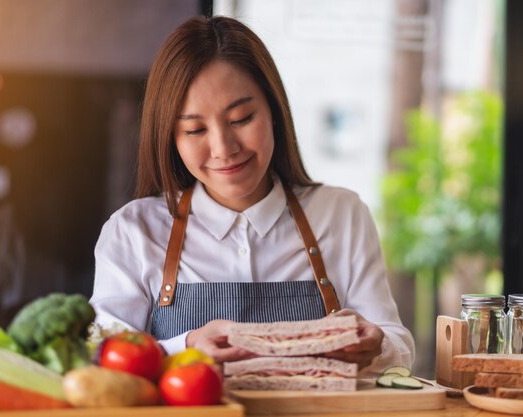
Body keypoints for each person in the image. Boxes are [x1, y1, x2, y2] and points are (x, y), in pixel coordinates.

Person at [90, 15, 414, 374]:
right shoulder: (134, 230)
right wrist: (186, 346)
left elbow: (397, 344)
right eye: (195, 129)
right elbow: (102, 356)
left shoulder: (342, 213)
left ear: (274, 112)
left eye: (242, 118)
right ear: (171, 139)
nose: (223, 148)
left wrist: (377, 344)